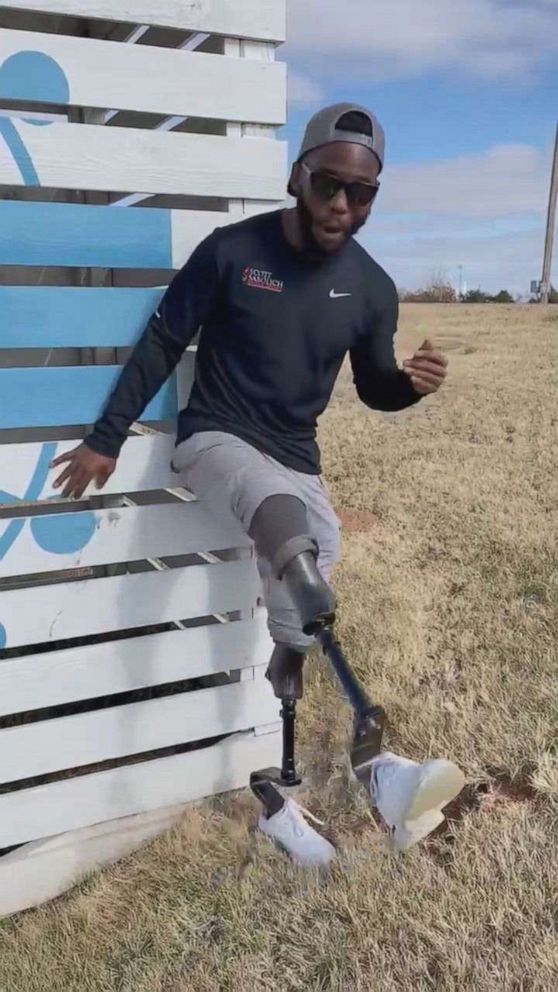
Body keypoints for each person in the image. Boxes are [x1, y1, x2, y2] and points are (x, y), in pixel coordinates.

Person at [51, 103, 464, 866]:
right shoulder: (232, 252)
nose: (343, 204)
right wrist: (106, 439)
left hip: (295, 455)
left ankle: (289, 730)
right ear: (298, 176)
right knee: (288, 533)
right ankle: (376, 754)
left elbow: (374, 388)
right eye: (329, 184)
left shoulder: (372, 289)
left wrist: (410, 386)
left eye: (362, 193)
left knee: (320, 545)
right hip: (216, 437)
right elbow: (164, 338)